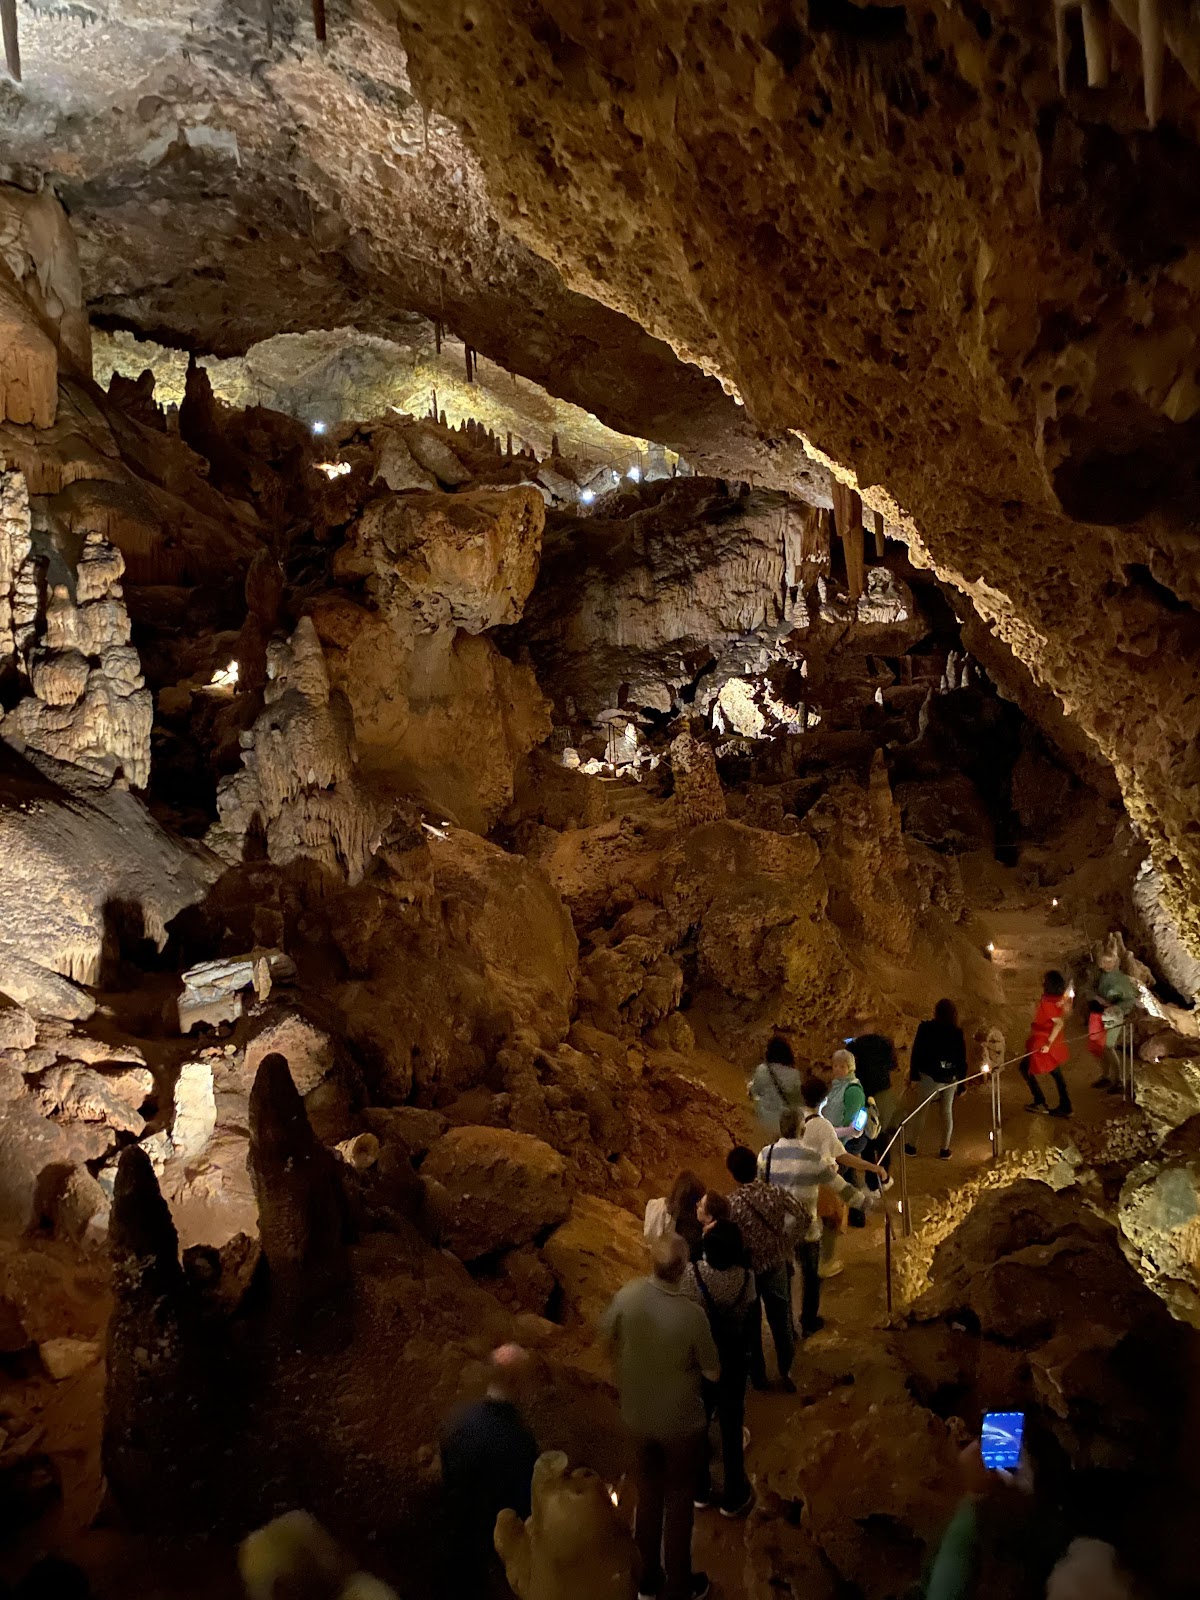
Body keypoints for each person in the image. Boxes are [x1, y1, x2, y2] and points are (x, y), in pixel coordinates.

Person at [599, 1234, 718, 1600]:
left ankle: (648, 1580)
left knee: (647, 1495)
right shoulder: (692, 1315)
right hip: (681, 1424)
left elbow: (606, 1338)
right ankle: (679, 1585)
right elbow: (713, 1372)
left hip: (636, 1416)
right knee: (679, 1501)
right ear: (683, 1270)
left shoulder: (628, 1295)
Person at [762, 1094, 884, 1319]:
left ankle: (786, 1321)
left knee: (784, 1277)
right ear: (802, 1129)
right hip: (806, 1227)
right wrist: (868, 1204)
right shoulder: (812, 1159)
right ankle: (809, 1320)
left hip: (780, 1228)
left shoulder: (765, 1154)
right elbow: (843, 1189)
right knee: (810, 1276)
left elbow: (762, 1187)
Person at [439, 1343, 539, 1599]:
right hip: (493, 1558)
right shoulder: (519, 1441)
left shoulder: (458, 1420)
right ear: (518, 1382)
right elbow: (526, 1506)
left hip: (455, 1546)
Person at [685, 1219, 755, 1518]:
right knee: (731, 1421)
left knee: (699, 1419)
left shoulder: (693, 1274)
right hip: (732, 1356)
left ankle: (700, 1488)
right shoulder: (746, 1278)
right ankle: (734, 1494)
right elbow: (749, 1315)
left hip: (701, 1356)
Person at [726, 1144, 806, 1392]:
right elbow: (803, 1216)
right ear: (756, 1167)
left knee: (751, 1326)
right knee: (781, 1321)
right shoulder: (775, 1193)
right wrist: (787, 1241)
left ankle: (758, 1377)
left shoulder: (731, 1204)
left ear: (733, 1174)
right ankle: (788, 1372)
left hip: (748, 1272)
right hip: (775, 1265)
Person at [907, 999, 969, 1159]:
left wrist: (914, 1075)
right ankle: (944, 1149)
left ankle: (912, 1146)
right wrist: (962, 1084)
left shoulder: (926, 1028)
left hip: (929, 1076)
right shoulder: (956, 1032)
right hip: (950, 1078)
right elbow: (962, 1060)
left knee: (921, 1111)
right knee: (946, 1112)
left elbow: (917, 1052)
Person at [847, 1031, 901, 1187]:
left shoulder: (856, 1045)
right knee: (882, 1138)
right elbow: (893, 1065)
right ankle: (883, 1177)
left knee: (867, 1140)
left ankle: (872, 1182)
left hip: (864, 1094)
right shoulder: (884, 1043)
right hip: (883, 1094)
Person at [1020, 971, 1072, 1118]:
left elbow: (1059, 1023)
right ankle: (1065, 1105)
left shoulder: (1048, 1003)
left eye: (1044, 980)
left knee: (1026, 1068)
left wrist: (1048, 1043)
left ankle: (1041, 1101)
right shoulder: (1056, 999)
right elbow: (1065, 1012)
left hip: (1044, 1041)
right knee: (1056, 1074)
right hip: (1052, 1040)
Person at [1092, 947, 1138, 1091]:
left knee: (1108, 1046)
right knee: (1102, 1047)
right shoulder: (1103, 976)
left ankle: (1119, 1080)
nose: (1106, 965)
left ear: (1115, 962)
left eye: (1109, 962)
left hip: (1115, 1015)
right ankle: (1106, 1076)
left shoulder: (1121, 979)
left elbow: (1130, 999)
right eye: (1104, 961)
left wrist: (1115, 1007)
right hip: (1103, 1014)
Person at [748, 1034, 803, 1136]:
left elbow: (755, 1092)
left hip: (764, 1121)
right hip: (785, 1124)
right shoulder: (795, 1075)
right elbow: (797, 1101)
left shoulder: (762, 1070)